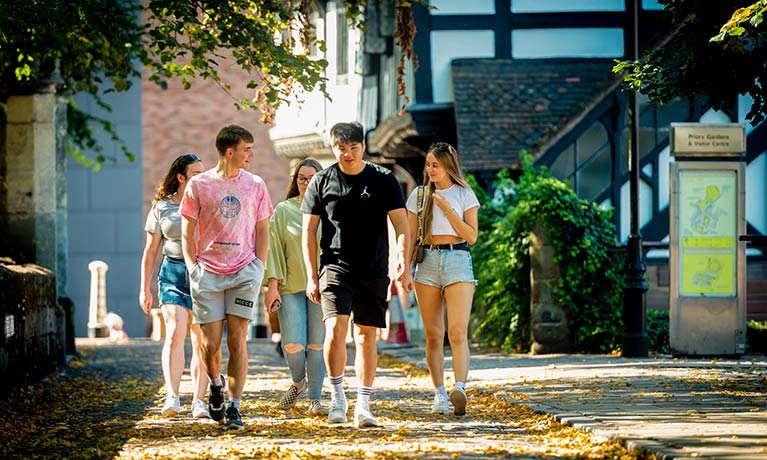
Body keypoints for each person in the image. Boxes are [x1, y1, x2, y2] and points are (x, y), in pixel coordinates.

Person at [302, 121, 412, 428]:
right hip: (335, 267)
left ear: (362, 146)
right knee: (336, 328)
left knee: (365, 337)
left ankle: (363, 405)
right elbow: (308, 232)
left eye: (353, 147)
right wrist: (312, 275)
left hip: (374, 269)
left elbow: (402, 225)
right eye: (341, 148)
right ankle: (338, 399)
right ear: (333, 148)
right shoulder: (322, 181)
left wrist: (402, 257)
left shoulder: (383, 179)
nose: (348, 154)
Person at [180, 125, 273, 430]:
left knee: (238, 340)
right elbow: (187, 232)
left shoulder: (256, 184)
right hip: (207, 273)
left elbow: (262, 229)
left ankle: (234, 406)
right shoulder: (199, 185)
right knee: (210, 345)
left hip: (244, 271)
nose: (252, 155)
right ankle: (216, 386)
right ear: (229, 151)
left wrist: (259, 266)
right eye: (247, 149)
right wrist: (194, 268)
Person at [406, 142, 479, 416]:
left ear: (448, 166)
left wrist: (447, 209)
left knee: (457, 332)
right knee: (434, 336)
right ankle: (439, 393)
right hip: (427, 262)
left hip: (458, 259)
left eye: (435, 165)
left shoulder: (464, 194)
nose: (430, 169)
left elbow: (471, 236)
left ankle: (459, 387)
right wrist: (403, 268)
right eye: (428, 164)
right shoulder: (419, 195)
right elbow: (410, 235)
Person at [139, 153, 210, 419]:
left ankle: (200, 400)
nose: (201, 180)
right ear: (180, 178)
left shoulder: (209, 204)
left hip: (203, 275)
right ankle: (172, 395)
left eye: (204, 174)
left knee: (201, 338)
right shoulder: (162, 207)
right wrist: (144, 288)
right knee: (174, 333)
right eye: (195, 175)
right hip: (173, 273)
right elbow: (150, 251)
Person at [264, 158, 327, 415]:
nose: (306, 183)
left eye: (312, 178)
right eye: (302, 178)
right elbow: (273, 249)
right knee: (292, 343)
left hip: (321, 287)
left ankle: (315, 399)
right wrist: (273, 285)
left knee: (316, 345)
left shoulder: (329, 211)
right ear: (296, 181)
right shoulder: (283, 210)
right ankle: (299, 382)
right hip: (289, 286)